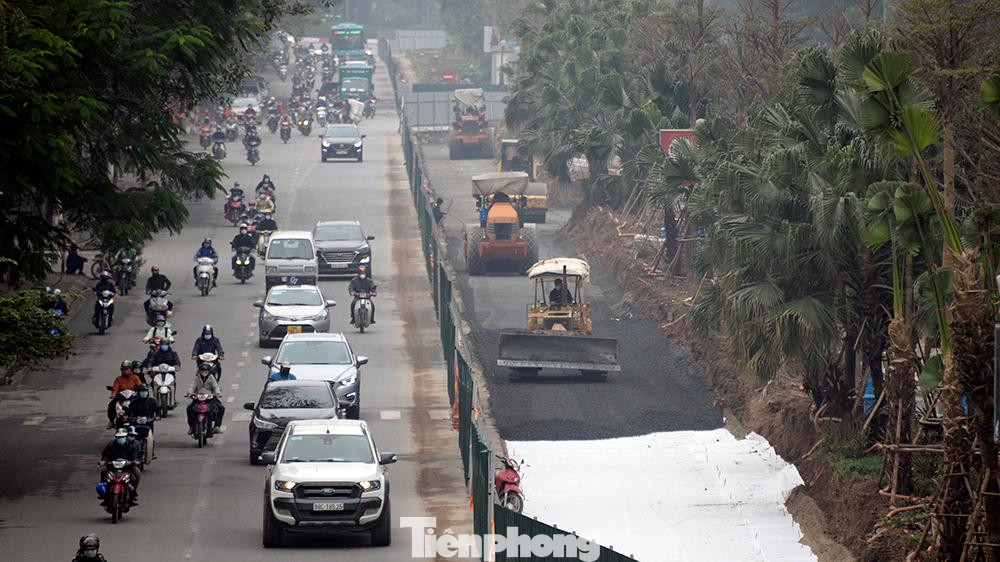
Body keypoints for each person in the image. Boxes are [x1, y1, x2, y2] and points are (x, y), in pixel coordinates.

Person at [99, 427, 141, 505]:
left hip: (127, 467)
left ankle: (133, 493)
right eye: (119, 437)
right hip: (113, 466)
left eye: (122, 437)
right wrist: (103, 461)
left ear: (126, 436)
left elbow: (135, 456)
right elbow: (106, 454)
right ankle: (105, 494)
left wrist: (135, 461)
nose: (120, 438)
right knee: (103, 472)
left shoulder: (132, 445)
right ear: (116, 437)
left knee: (136, 473)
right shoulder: (111, 444)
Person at [185, 366, 224, 434]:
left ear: (209, 371)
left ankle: (216, 426)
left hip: (209, 398)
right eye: (202, 370)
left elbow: (215, 386)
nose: (204, 372)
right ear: (199, 371)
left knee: (221, 408)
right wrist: (189, 393)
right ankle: (191, 427)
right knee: (189, 408)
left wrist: (217, 393)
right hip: (198, 398)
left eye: (206, 371)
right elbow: (192, 386)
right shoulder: (197, 378)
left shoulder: (211, 378)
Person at [106, 360, 142, 427]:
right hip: (121, 398)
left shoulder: (135, 378)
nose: (125, 371)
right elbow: (115, 388)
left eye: (127, 369)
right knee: (111, 405)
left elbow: (139, 386)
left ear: (131, 370)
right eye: (123, 369)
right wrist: (113, 395)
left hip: (133, 397)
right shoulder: (118, 379)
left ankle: (141, 419)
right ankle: (111, 421)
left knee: (142, 405)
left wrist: (140, 391)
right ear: (121, 370)